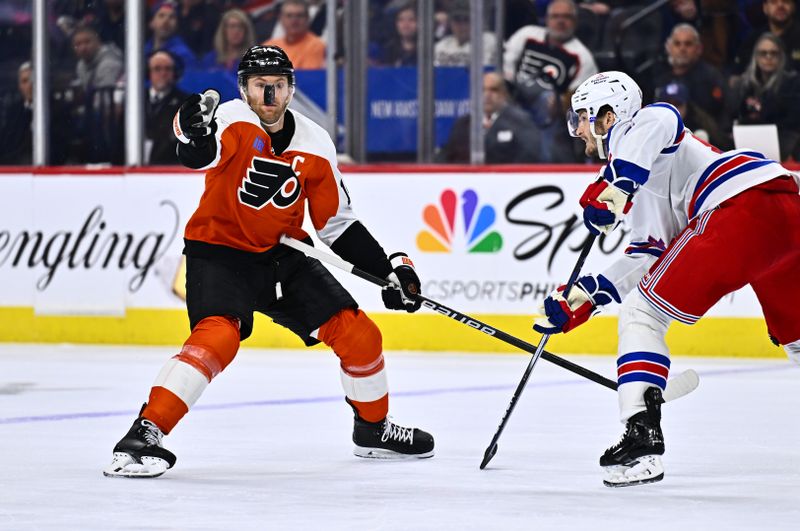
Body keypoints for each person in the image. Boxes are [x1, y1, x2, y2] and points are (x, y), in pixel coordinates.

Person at [103, 45, 434, 478]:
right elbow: (200, 153)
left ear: (292, 88)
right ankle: (144, 433)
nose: (271, 95)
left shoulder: (316, 143)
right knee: (218, 337)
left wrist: (389, 269)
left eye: (279, 85)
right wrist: (190, 130)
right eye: (261, 86)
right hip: (220, 252)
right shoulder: (232, 120)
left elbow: (336, 224)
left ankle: (373, 431)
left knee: (361, 336)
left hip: (283, 255)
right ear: (244, 89)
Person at [533, 71, 800, 487]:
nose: (578, 130)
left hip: (741, 208)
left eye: (582, 118)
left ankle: (642, 435)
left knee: (643, 315)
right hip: (787, 216)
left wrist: (616, 183)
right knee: (797, 338)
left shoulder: (646, 125)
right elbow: (649, 254)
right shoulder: (644, 179)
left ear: (608, 115)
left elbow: (662, 120)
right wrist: (584, 296)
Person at [503, 0, 597, 162]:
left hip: (550, 112)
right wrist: (508, 92)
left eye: (566, 17)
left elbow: (580, 97)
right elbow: (506, 67)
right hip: (514, 97)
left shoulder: (582, 56)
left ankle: (542, 164)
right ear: (546, 19)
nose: (560, 21)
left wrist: (562, 102)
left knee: (546, 99)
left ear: (574, 22)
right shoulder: (527, 35)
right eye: (555, 16)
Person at [438, 72, 542, 163]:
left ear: (504, 94)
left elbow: (530, 156)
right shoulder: (463, 124)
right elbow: (448, 156)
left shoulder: (520, 122)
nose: (487, 95)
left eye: (494, 90)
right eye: (483, 90)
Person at [729, 32, 800, 161]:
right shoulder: (743, 84)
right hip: (746, 137)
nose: (768, 57)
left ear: (781, 57)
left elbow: (792, 121)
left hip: (782, 138)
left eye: (773, 53)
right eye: (763, 53)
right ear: (756, 57)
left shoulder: (792, 83)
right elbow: (733, 114)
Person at [652, 23, 728, 126]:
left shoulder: (711, 77)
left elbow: (724, 110)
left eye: (688, 44)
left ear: (699, 48)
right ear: (668, 47)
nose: (682, 49)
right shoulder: (656, 75)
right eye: (677, 44)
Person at [734, 0, 800, 74]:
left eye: (786, 1)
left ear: (794, 7)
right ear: (765, 8)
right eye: (773, 2)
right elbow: (736, 74)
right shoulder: (754, 38)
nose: (780, 5)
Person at [145, 51, 188, 164]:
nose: (163, 73)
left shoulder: (185, 103)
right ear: (148, 73)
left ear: (175, 73)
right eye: (157, 69)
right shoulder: (136, 101)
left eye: (168, 69)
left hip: (168, 169)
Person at [433, 0, 497, 67]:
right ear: (450, 23)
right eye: (457, 20)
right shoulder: (440, 47)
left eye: (466, 20)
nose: (462, 25)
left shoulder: (491, 42)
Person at [263, 0, 325, 69]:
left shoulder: (315, 45)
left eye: (299, 15)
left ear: (307, 18)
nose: (294, 20)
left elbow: (307, 77)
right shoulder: (269, 46)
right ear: (281, 19)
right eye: (289, 16)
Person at [144, 1, 198, 71]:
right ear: (151, 23)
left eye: (172, 17)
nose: (166, 21)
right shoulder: (143, 51)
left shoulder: (183, 55)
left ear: (177, 25)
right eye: (161, 16)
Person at [200, 8, 257, 74]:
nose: (236, 31)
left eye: (241, 26)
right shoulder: (210, 59)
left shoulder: (253, 61)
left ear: (246, 32)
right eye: (232, 26)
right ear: (224, 31)